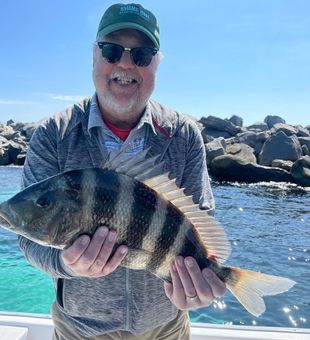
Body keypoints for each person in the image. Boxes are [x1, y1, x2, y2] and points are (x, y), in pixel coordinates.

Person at [19, 3, 226, 339]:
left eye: (142, 55)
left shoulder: (183, 135)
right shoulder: (53, 135)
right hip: (81, 329)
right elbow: (30, 243)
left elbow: (200, 222)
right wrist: (67, 264)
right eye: (112, 50)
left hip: (166, 327)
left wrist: (198, 283)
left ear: (157, 63)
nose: (126, 64)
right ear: (94, 57)